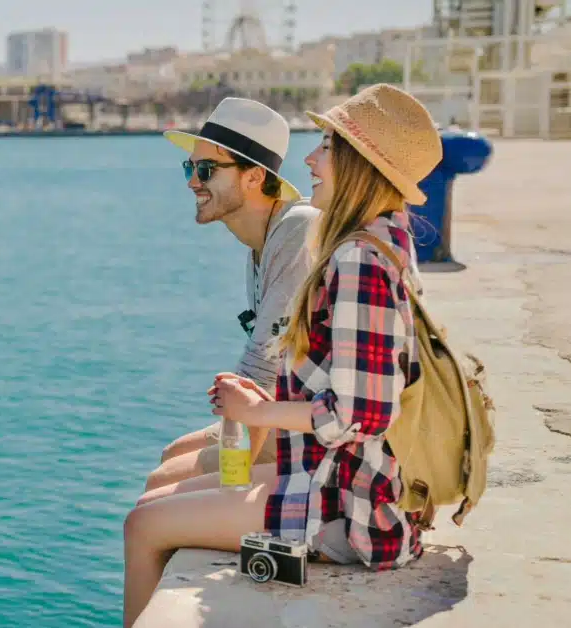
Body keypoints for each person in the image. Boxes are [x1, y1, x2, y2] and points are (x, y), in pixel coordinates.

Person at [122, 83, 444, 628]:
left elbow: (363, 413)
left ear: (360, 164)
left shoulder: (356, 258)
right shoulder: (377, 239)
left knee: (143, 527)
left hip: (348, 504)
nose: (312, 158)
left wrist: (256, 413)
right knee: (157, 502)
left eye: (327, 146)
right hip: (335, 474)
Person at [144, 98, 318, 496]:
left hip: (324, 432)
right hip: (290, 414)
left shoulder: (296, 234)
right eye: (190, 167)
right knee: (173, 454)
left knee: (160, 487)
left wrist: (231, 486)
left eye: (205, 169)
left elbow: (261, 374)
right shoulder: (261, 245)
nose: (192, 182)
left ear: (254, 177)